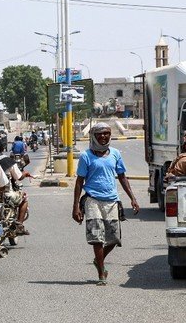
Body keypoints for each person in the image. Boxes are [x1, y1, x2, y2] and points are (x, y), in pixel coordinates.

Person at [72, 123, 140, 286]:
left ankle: (98, 260)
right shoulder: (86, 156)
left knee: (114, 238)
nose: (103, 136)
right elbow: (79, 181)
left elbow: (122, 177)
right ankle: (102, 272)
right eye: (100, 134)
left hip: (111, 200)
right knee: (96, 237)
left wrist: (133, 197)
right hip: (92, 200)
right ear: (94, 136)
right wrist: (75, 206)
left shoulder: (115, 154)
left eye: (106, 134)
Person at [0, 138, 31, 235]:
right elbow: (19, 177)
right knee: (24, 198)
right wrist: (25, 174)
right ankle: (19, 225)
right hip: (6, 195)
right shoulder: (9, 161)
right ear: (3, 148)